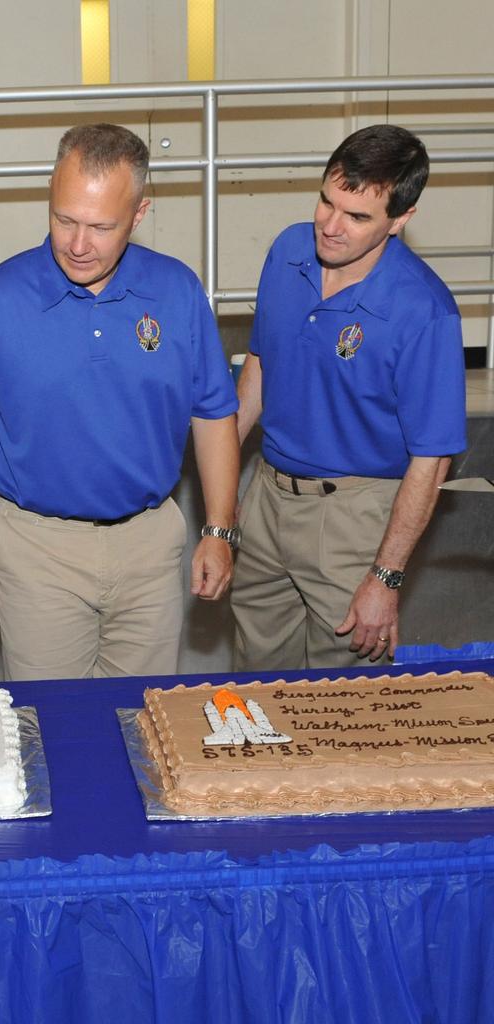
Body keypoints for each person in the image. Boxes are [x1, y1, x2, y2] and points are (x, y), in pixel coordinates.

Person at [0, 123, 240, 681]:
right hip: (36, 546)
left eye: (100, 226)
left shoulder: (178, 291)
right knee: (55, 726)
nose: (77, 244)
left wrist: (218, 529)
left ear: (139, 215)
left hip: (150, 544)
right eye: (64, 219)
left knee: (144, 719)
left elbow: (213, 414)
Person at [232, 125, 466, 670]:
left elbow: (432, 462)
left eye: (358, 217)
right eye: (326, 202)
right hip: (266, 498)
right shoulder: (289, 249)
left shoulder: (423, 310)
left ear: (400, 220)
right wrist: (227, 493)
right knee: (253, 684)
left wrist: (385, 578)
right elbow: (260, 366)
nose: (331, 227)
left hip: (354, 517)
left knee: (342, 703)